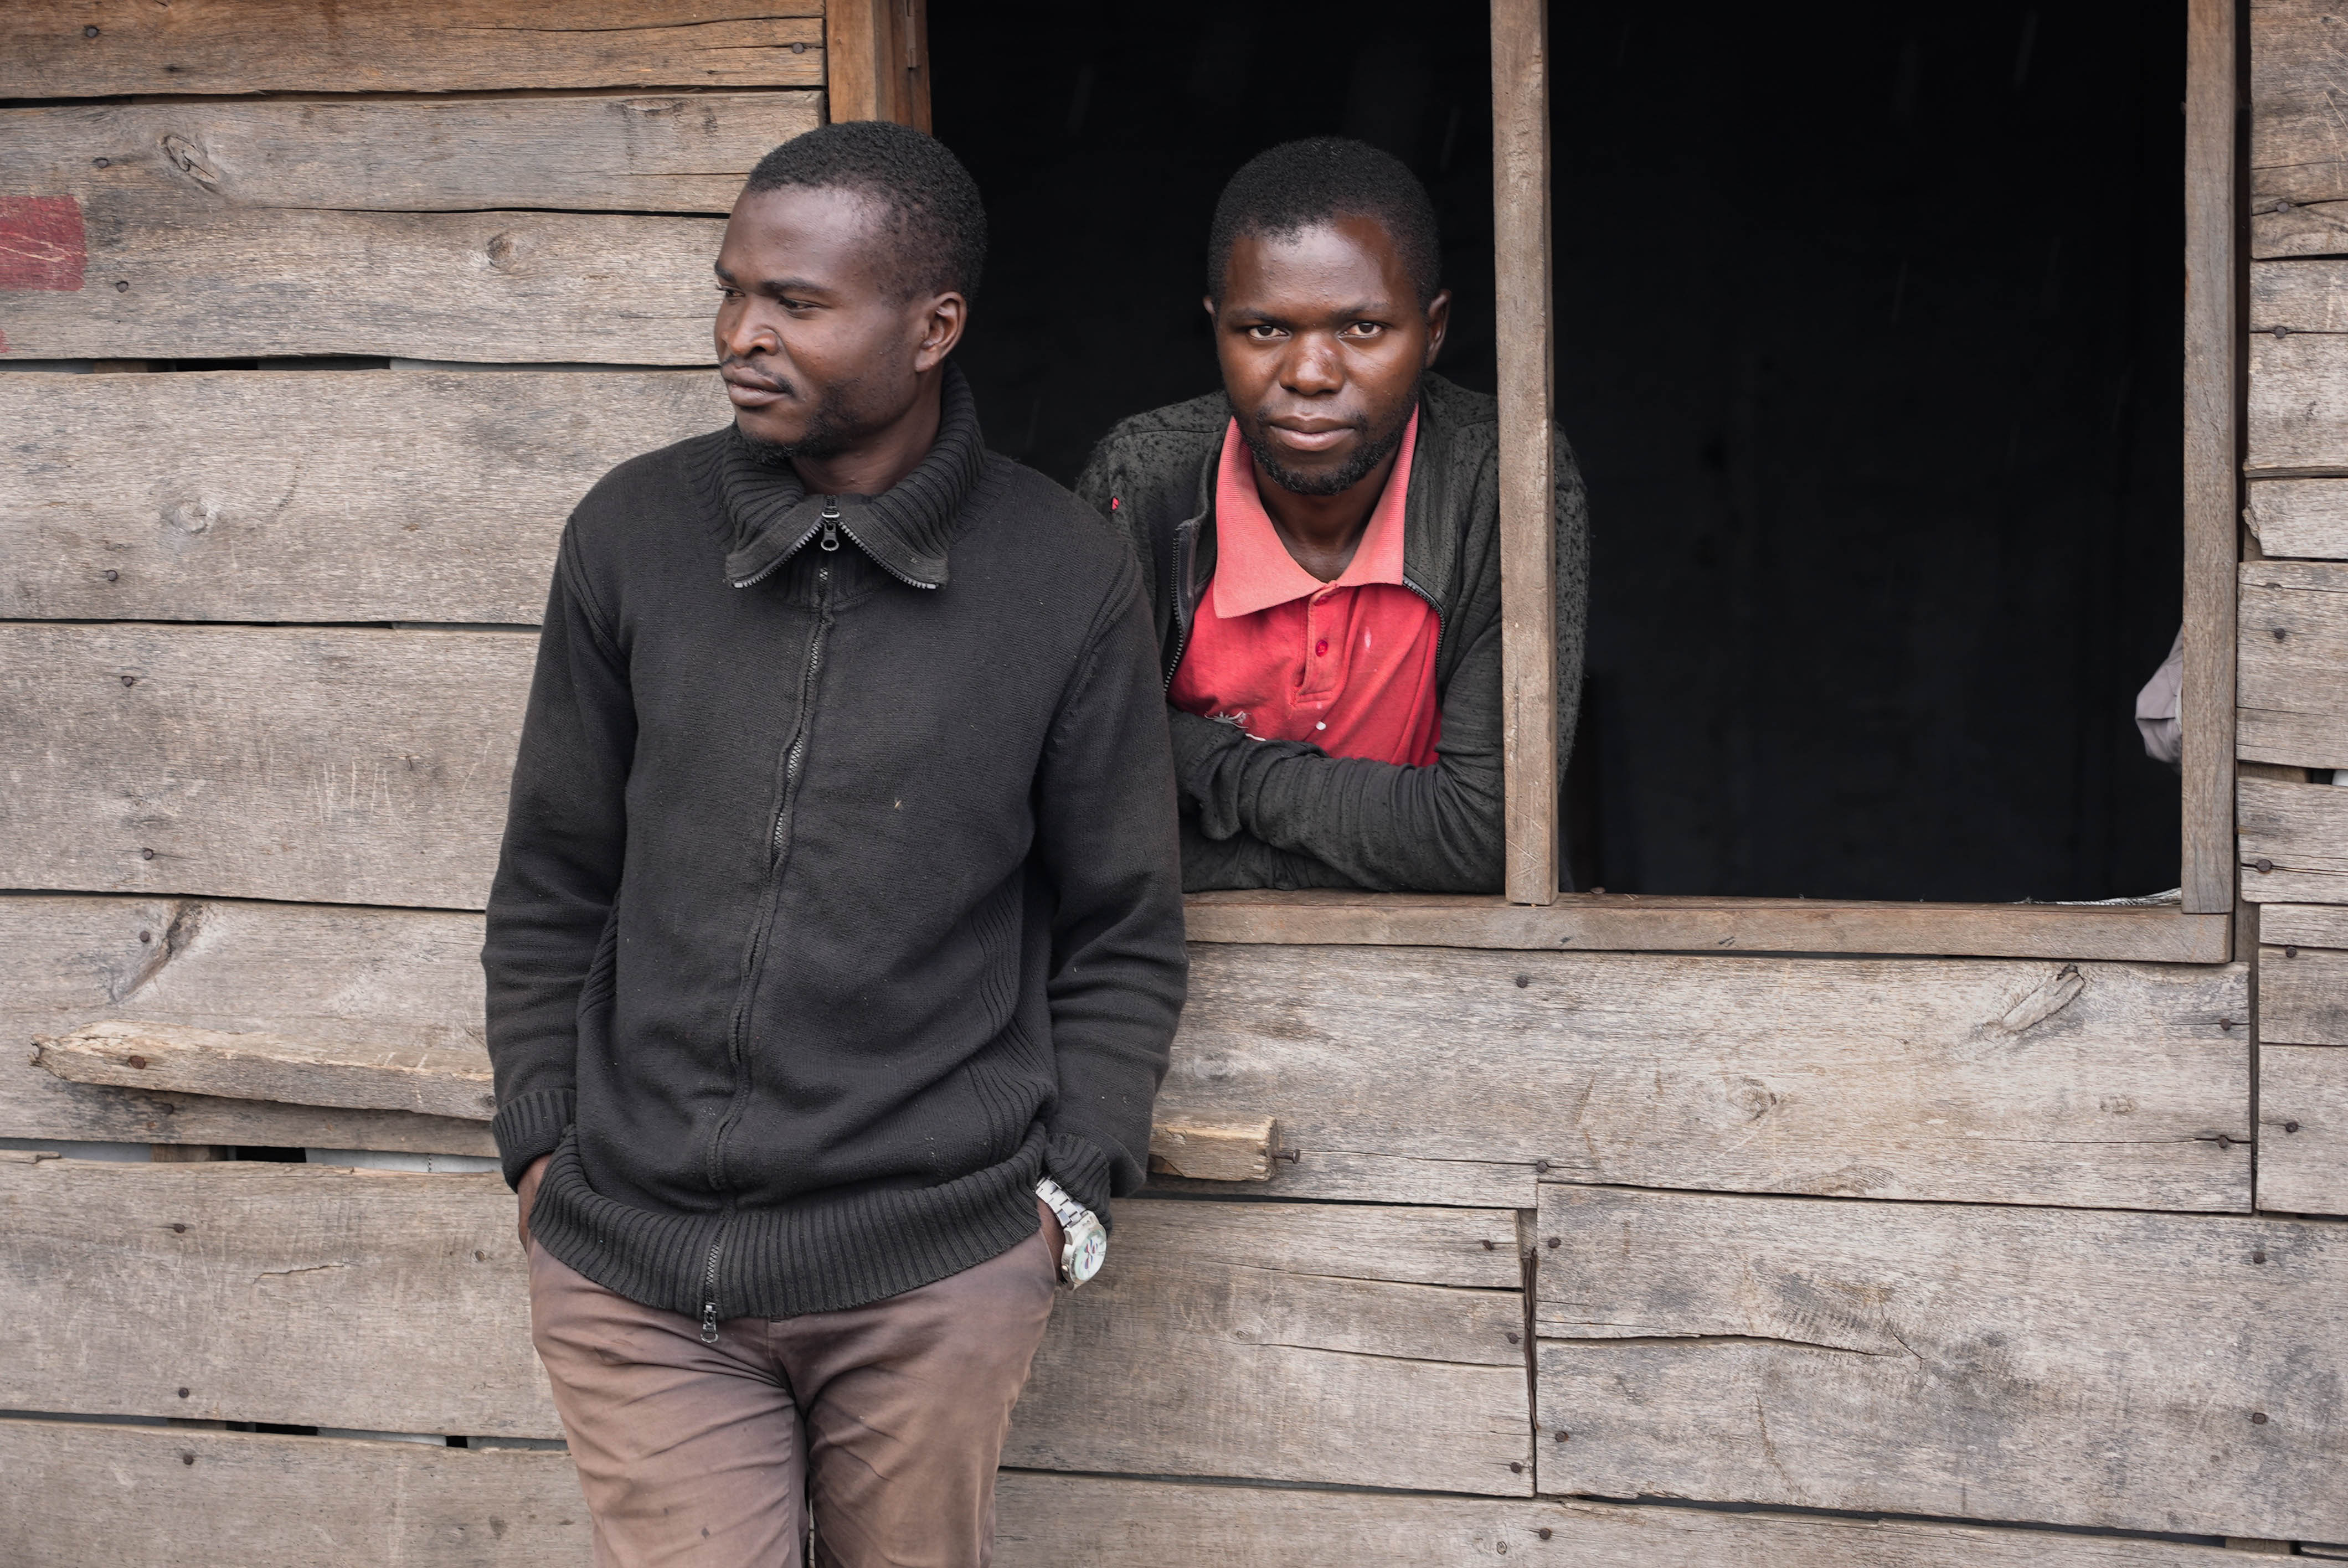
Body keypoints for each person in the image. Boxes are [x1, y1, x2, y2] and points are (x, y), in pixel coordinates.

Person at [481, 120, 1187, 1567]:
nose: (744, 334)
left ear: (933, 328)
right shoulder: (631, 535)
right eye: (733, 290)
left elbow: (1124, 921)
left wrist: (1062, 1197)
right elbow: (553, 874)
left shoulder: (1064, 575)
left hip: (931, 1267)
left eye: (797, 304)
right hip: (631, 1264)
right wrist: (543, 1142)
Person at [1076, 136, 1590, 893]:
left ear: (1435, 330)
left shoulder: (1507, 477)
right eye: (1266, 330)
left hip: (1471, 986)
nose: (1310, 375)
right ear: (1216, 329)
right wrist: (1376, 852)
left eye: (1362, 329)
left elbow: (1488, 837)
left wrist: (1198, 760)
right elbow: (1083, 820)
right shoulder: (1143, 480)